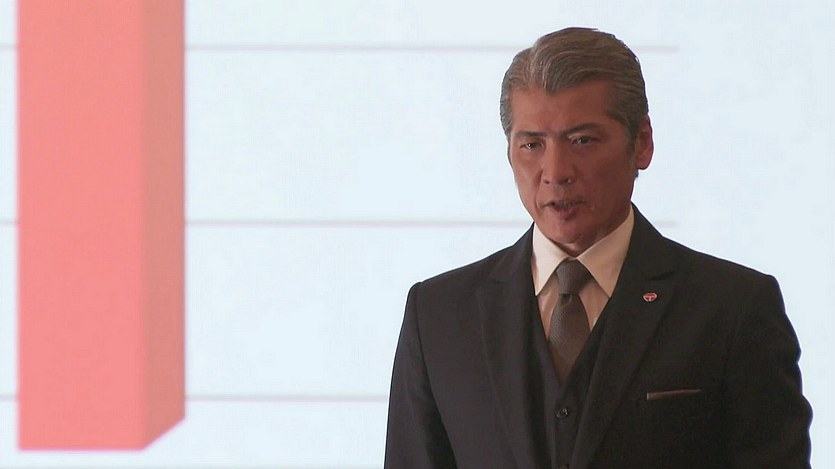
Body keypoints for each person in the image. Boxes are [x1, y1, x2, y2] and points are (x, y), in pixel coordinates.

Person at [384, 27, 812, 468]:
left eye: (582, 141)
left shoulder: (734, 308)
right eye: (532, 144)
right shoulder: (438, 315)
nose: (556, 171)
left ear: (641, 143)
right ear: (509, 153)